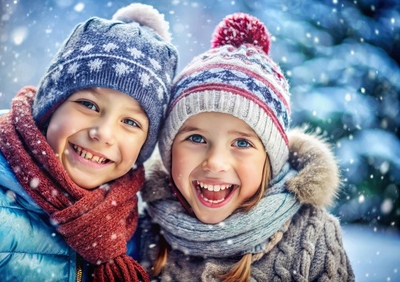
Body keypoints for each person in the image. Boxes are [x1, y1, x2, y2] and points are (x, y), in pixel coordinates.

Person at [0, 3, 178, 281]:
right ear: (50, 108)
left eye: (130, 122)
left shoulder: (137, 233)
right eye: (88, 104)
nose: (103, 133)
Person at [139, 12, 354, 281]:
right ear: (169, 150)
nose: (216, 162)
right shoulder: (146, 228)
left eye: (241, 142)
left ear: (269, 158)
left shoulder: (312, 236)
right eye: (196, 138)